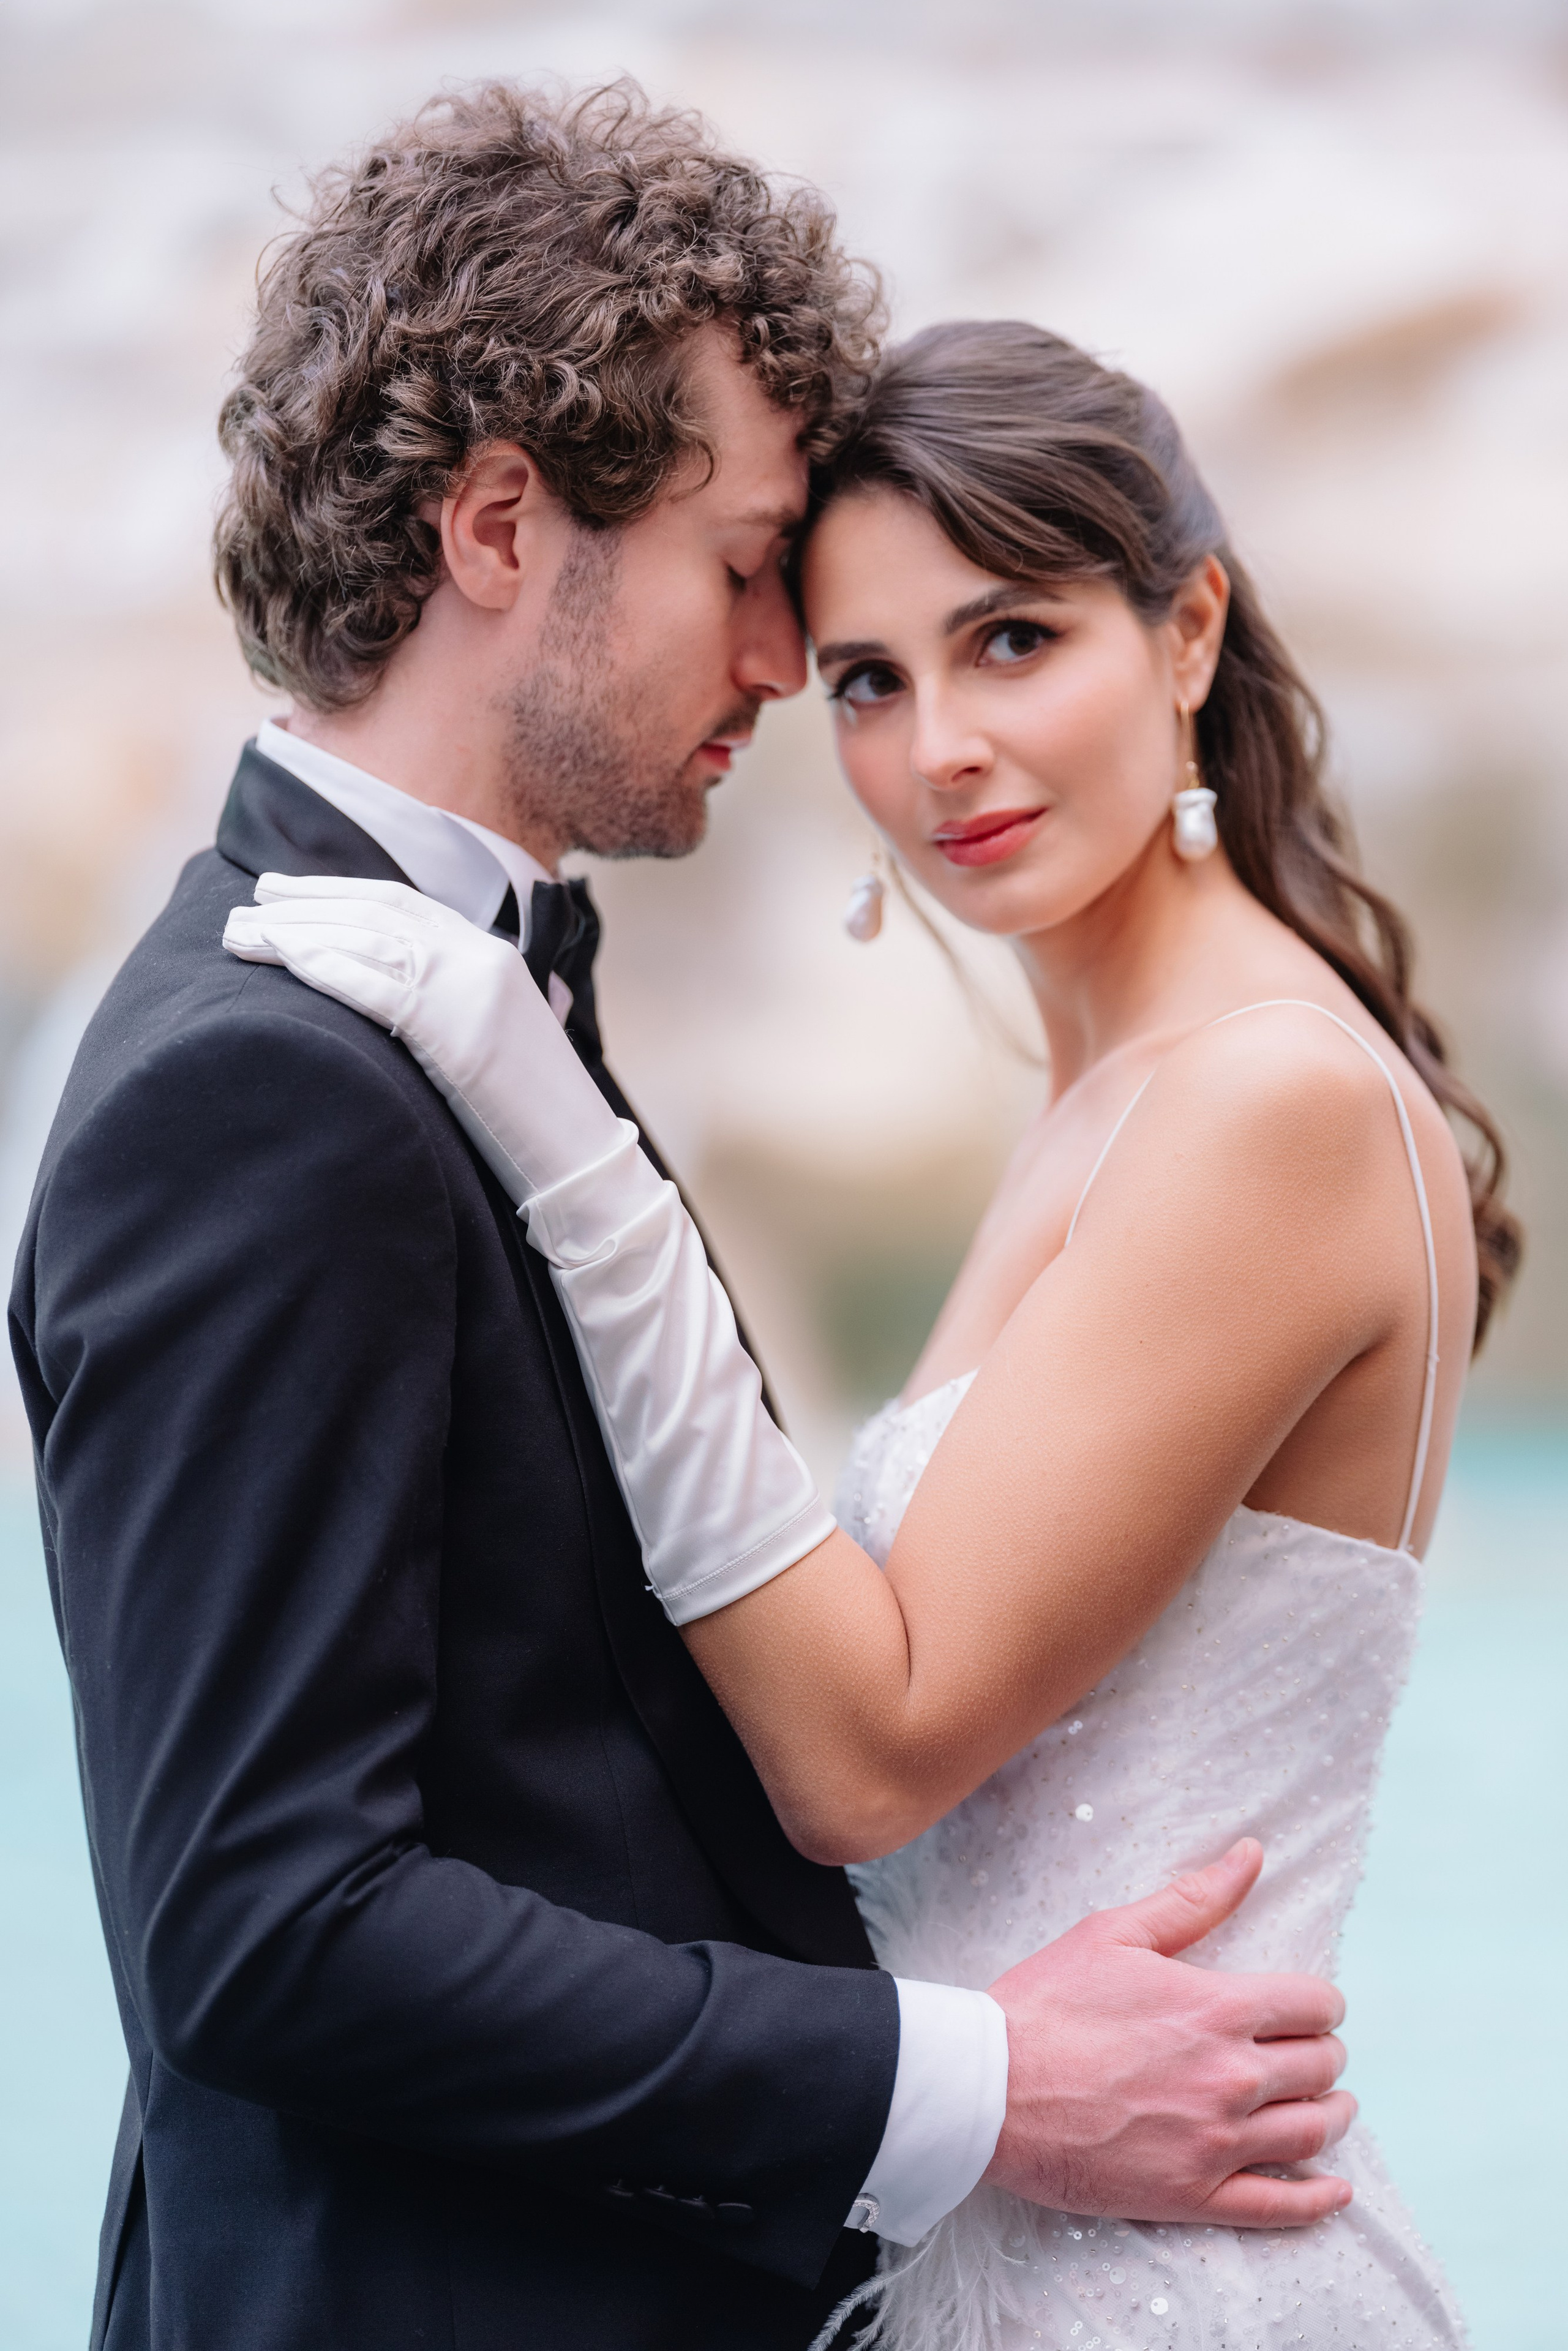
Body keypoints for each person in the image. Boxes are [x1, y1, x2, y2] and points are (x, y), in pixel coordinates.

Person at [8, 90, 1354, 2351]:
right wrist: (981, 2087)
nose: (775, 667)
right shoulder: (262, 1079)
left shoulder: (459, 993)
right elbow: (269, 1928)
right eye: (748, 572)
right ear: (503, 524)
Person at [231, 317, 1521, 2351]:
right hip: (999, 2229)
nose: (943, 753)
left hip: (1162, 2277)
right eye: (867, 681)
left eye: (1013, 641)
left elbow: (869, 1755)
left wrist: (550, 1126)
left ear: (1184, 633)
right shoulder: (1113, 1092)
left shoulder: (1261, 1104)